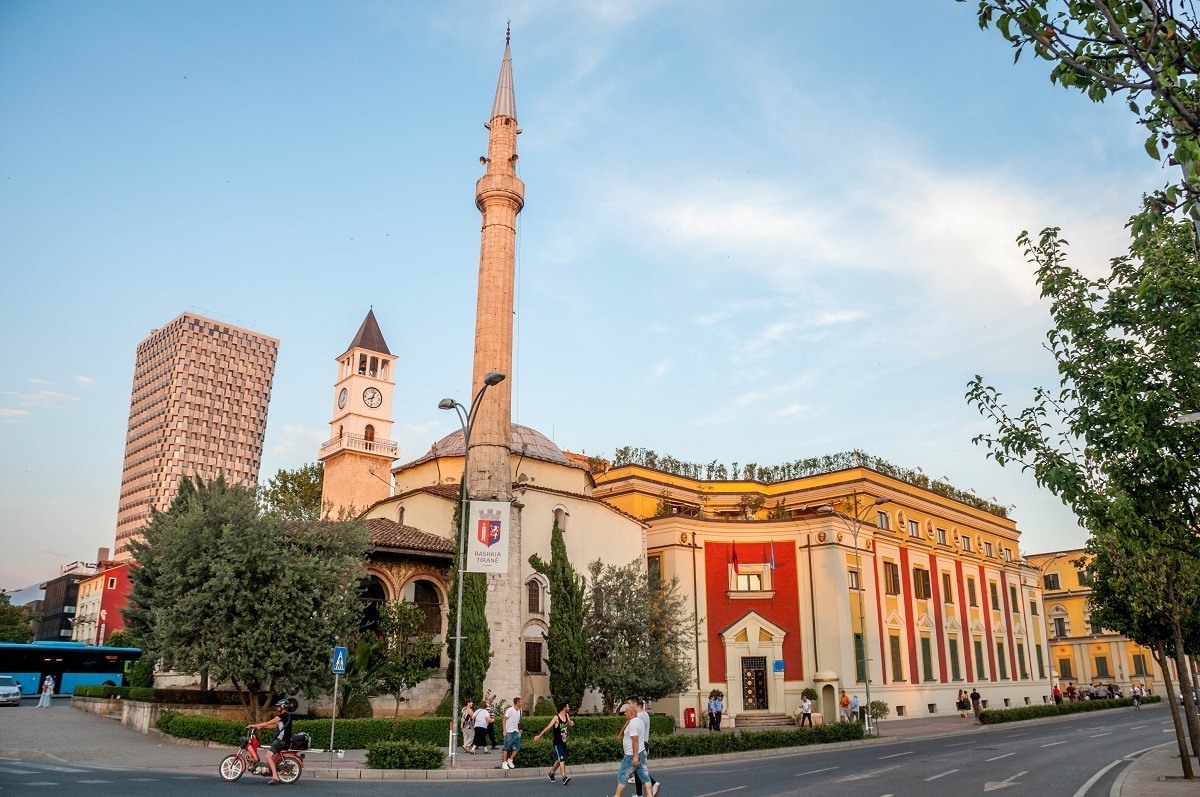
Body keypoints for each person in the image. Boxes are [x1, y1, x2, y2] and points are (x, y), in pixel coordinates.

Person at [247, 699, 293, 785]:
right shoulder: (287, 716)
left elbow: (268, 723)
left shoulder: (281, 716)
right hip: (284, 740)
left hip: (280, 740)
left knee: (268, 756)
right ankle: (271, 770)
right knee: (270, 756)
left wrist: (253, 725)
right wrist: (262, 728)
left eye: (278, 706)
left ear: (282, 707)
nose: (277, 708)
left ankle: (275, 777)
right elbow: (274, 726)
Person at [611, 702, 653, 797]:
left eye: (626, 712)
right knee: (645, 776)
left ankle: (617, 796)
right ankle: (650, 795)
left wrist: (635, 757)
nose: (624, 713)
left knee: (623, 775)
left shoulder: (633, 724)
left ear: (631, 713)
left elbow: (635, 740)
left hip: (631, 755)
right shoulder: (639, 721)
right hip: (642, 752)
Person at [533, 701, 574, 785]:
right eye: (568, 707)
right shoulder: (556, 718)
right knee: (561, 758)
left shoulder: (566, 715)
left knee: (559, 760)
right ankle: (564, 777)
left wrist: (571, 723)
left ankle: (551, 773)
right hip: (557, 743)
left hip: (564, 741)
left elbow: (569, 724)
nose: (569, 708)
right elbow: (548, 727)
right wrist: (539, 736)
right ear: (564, 708)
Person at [632, 698, 659, 797]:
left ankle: (653, 783)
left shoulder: (639, 716)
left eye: (632, 704)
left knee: (638, 769)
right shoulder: (646, 715)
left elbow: (637, 732)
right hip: (644, 743)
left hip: (640, 744)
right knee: (638, 769)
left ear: (637, 705)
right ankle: (639, 793)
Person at [500, 696, 522, 770]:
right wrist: (504, 730)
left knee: (517, 747)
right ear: (518, 702)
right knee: (506, 748)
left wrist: (519, 729)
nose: (522, 703)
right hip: (509, 731)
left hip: (516, 731)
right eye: (521, 702)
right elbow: (504, 719)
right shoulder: (510, 710)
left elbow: (519, 721)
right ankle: (504, 763)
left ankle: (510, 760)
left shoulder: (520, 710)